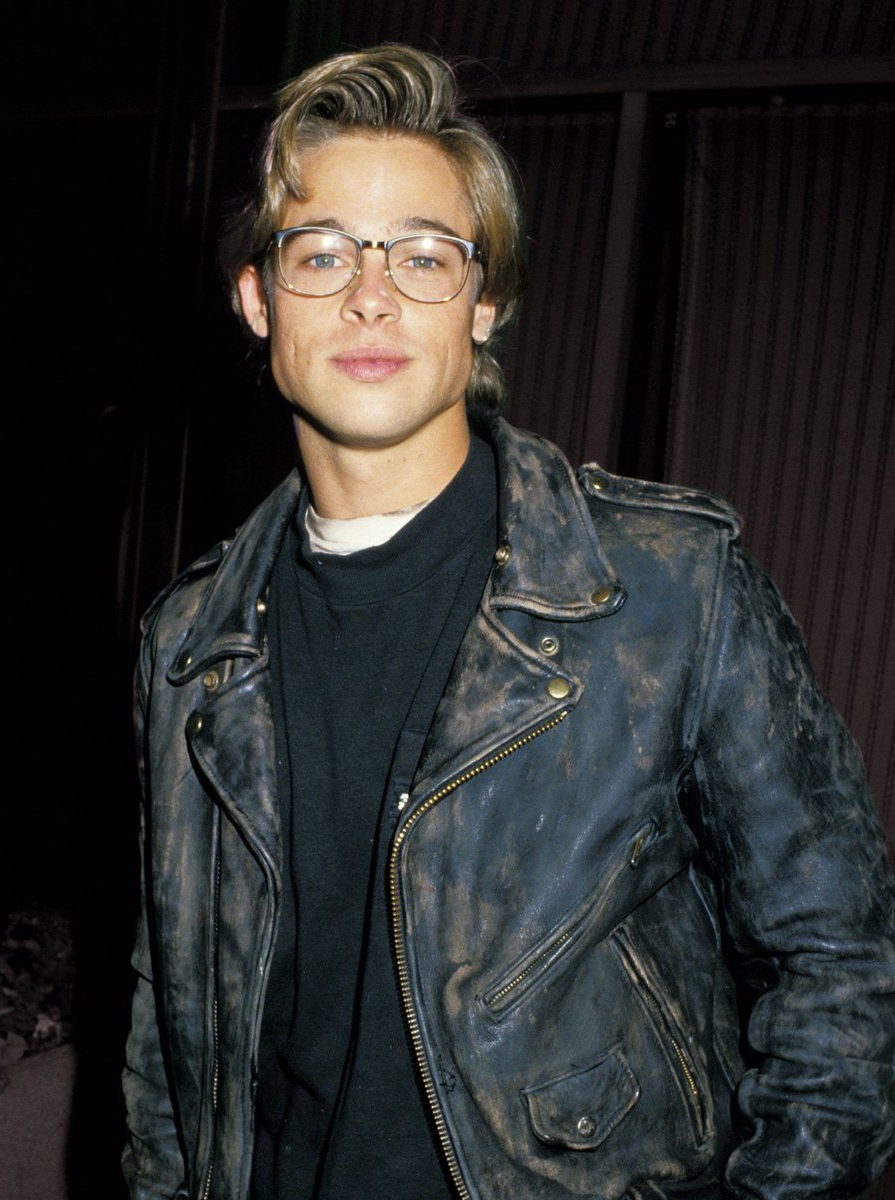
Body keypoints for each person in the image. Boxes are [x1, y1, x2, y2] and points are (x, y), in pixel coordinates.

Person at [122, 44, 895, 1200]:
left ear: (485, 305)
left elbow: (843, 969)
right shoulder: (188, 642)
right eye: (321, 252)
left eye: (424, 256)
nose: (371, 295)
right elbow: (168, 1023)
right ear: (257, 298)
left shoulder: (664, 588)